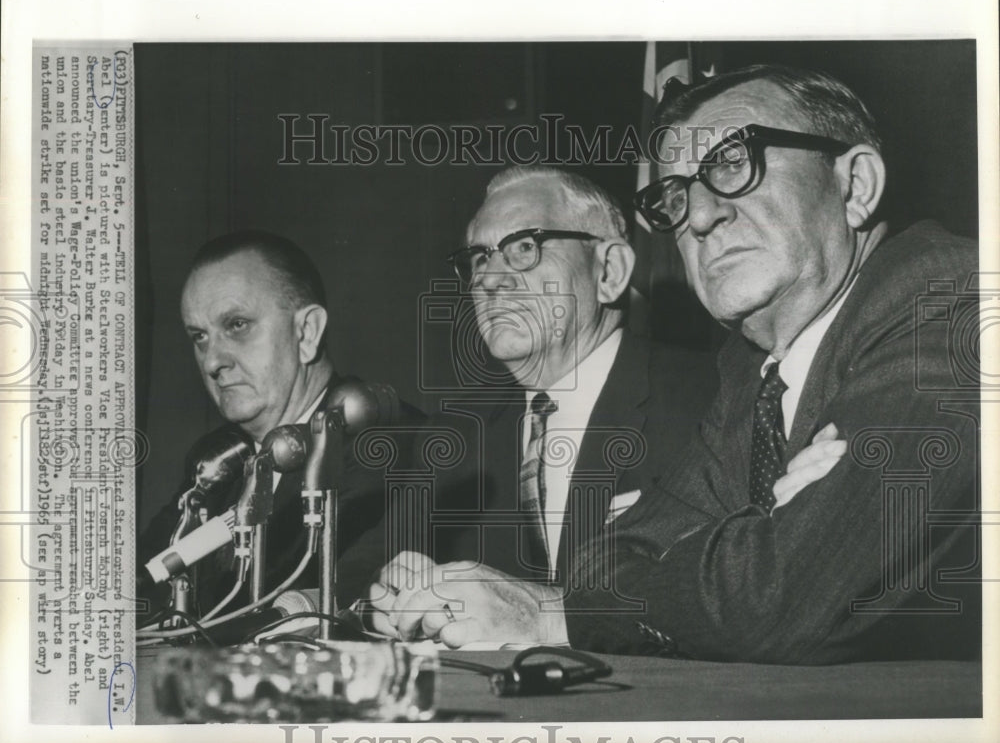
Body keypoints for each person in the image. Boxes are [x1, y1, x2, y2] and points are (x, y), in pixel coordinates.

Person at [372, 66, 981, 663]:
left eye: (735, 163)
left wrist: (553, 615)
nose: (699, 216)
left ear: (856, 186)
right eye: (676, 195)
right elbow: (602, 561)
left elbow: (775, 600)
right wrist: (768, 526)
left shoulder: (952, 300)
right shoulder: (750, 372)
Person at [374, 165, 716, 641]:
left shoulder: (714, 397)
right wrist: (397, 594)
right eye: (478, 258)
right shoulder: (455, 438)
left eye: (524, 248)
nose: (488, 280)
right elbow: (370, 582)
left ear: (609, 271)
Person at [138, 230, 422, 621]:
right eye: (200, 337)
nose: (211, 362)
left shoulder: (386, 445)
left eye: (237, 325)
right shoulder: (215, 460)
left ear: (306, 333)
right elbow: (140, 582)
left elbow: (327, 598)